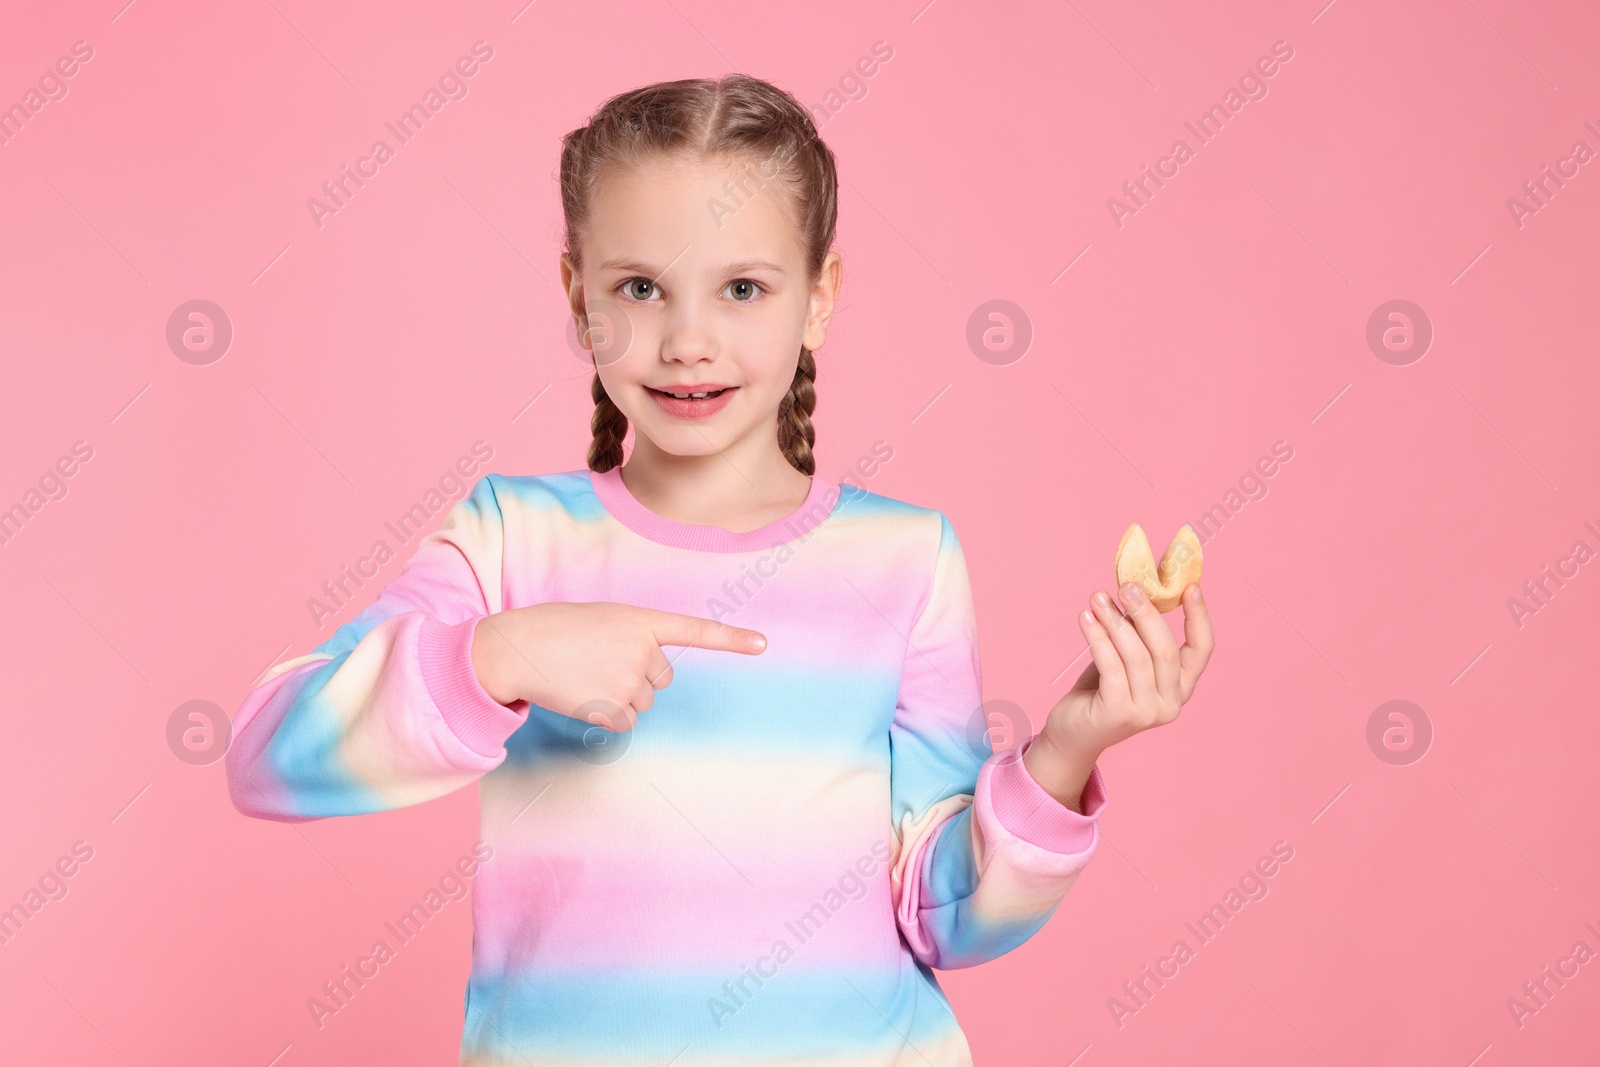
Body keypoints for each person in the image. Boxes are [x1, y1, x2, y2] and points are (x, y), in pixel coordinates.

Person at [226, 72, 1215, 1066]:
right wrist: (496, 655)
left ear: (818, 298)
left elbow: (944, 915)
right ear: (579, 297)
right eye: (639, 286)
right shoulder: (509, 538)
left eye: (742, 288)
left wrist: (1065, 752)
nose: (687, 339)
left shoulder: (906, 559)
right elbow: (266, 754)